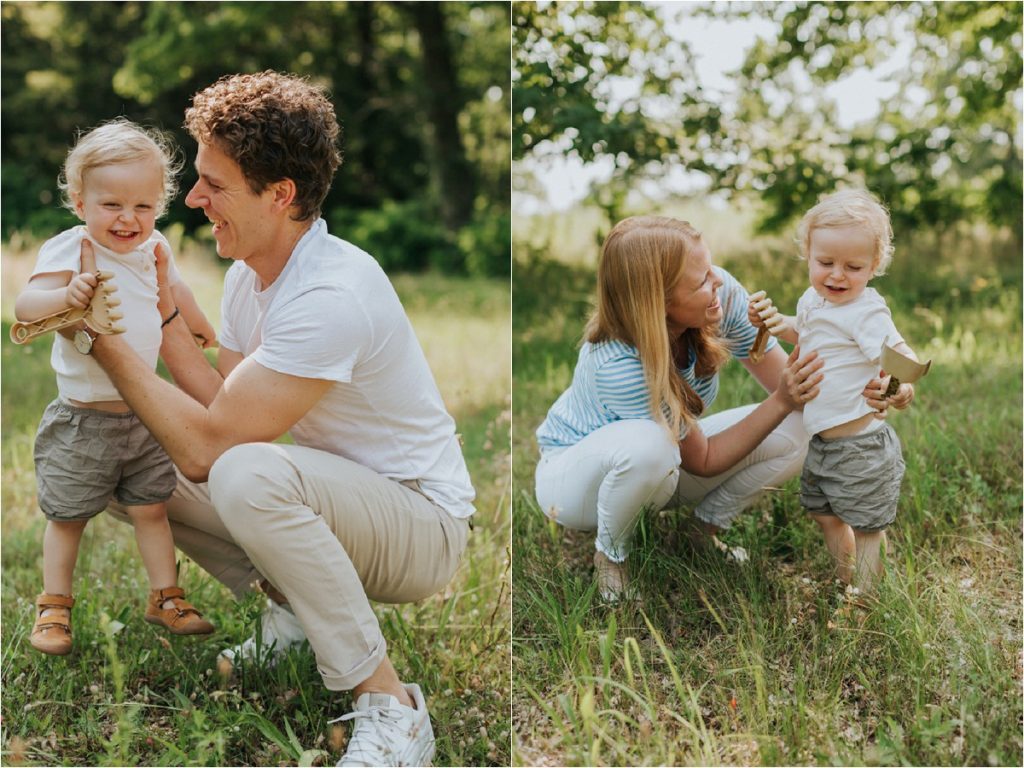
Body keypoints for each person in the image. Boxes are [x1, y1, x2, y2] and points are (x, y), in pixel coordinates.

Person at [73, 72, 474, 768]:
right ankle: (293, 616)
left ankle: (391, 705)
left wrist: (102, 342)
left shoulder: (330, 293)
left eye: (214, 185)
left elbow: (212, 447)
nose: (194, 200)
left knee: (245, 472)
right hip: (345, 499)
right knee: (116, 456)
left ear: (280, 194)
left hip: (423, 526)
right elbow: (227, 398)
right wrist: (166, 312)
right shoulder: (248, 274)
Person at [533, 215, 909, 601]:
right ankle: (611, 556)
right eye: (700, 282)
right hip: (575, 483)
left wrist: (881, 388)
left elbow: (799, 385)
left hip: (664, 466)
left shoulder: (720, 294)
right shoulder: (617, 365)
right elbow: (704, 460)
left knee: (805, 423)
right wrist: (782, 399)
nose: (718, 282)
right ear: (659, 302)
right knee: (650, 446)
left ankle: (698, 534)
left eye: (710, 268)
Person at [15, 119, 218, 656]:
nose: (129, 219)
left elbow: (172, 289)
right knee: (68, 517)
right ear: (80, 202)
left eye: (143, 206)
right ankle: (54, 606)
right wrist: (69, 297)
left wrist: (198, 324)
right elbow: (24, 308)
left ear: (159, 205)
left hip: (144, 412)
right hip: (83, 419)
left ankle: (166, 596)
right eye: (112, 205)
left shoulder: (154, 249)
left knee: (152, 507)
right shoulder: (70, 248)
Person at [747, 189, 919, 592]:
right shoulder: (814, 299)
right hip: (823, 443)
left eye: (853, 266)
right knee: (827, 516)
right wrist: (775, 322)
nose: (837, 275)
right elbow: (803, 331)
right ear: (807, 254)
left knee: (866, 525)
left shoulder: (866, 312)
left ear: (874, 265)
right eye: (825, 263)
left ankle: (868, 601)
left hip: (860, 445)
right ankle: (849, 582)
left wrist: (901, 386)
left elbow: (899, 353)